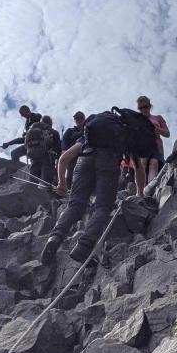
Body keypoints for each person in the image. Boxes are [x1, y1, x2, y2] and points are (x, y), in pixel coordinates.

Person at [40, 113, 122, 264]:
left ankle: (54, 238)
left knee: (75, 205)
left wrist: (62, 184)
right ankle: (83, 247)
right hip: (109, 160)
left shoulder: (86, 137)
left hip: (84, 160)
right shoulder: (117, 135)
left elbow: (64, 159)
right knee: (102, 207)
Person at [134, 96, 170, 192]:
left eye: (145, 107)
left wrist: (158, 130)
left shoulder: (158, 118)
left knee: (154, 164)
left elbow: (167, 133)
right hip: (142, 147)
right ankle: (140, 191)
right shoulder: (136, 120)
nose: (142, 110)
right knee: (143, 163)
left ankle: (150, 188)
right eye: (140, 108)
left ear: (150, 106)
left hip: (156, 146)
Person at [24, 118, 55, 186]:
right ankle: (45, 189)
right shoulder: (51, 131)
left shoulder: (31, 129)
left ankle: (31, 190)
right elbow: (58, 148)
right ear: (50, 124)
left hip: (33, 156)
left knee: (33, 179)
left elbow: (25, 144)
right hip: (45, 156)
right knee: (45, 181)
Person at [61, 111, 86, 188]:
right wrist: (64, 151)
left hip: (86, 157)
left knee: (84, 176)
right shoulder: (70, 131)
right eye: (76, 118)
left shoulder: (88, 129)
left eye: (80, 118)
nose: (78, 120)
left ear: (84, 119)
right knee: (70, 176)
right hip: (72, 158)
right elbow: (64, 141)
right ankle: (68, 191)